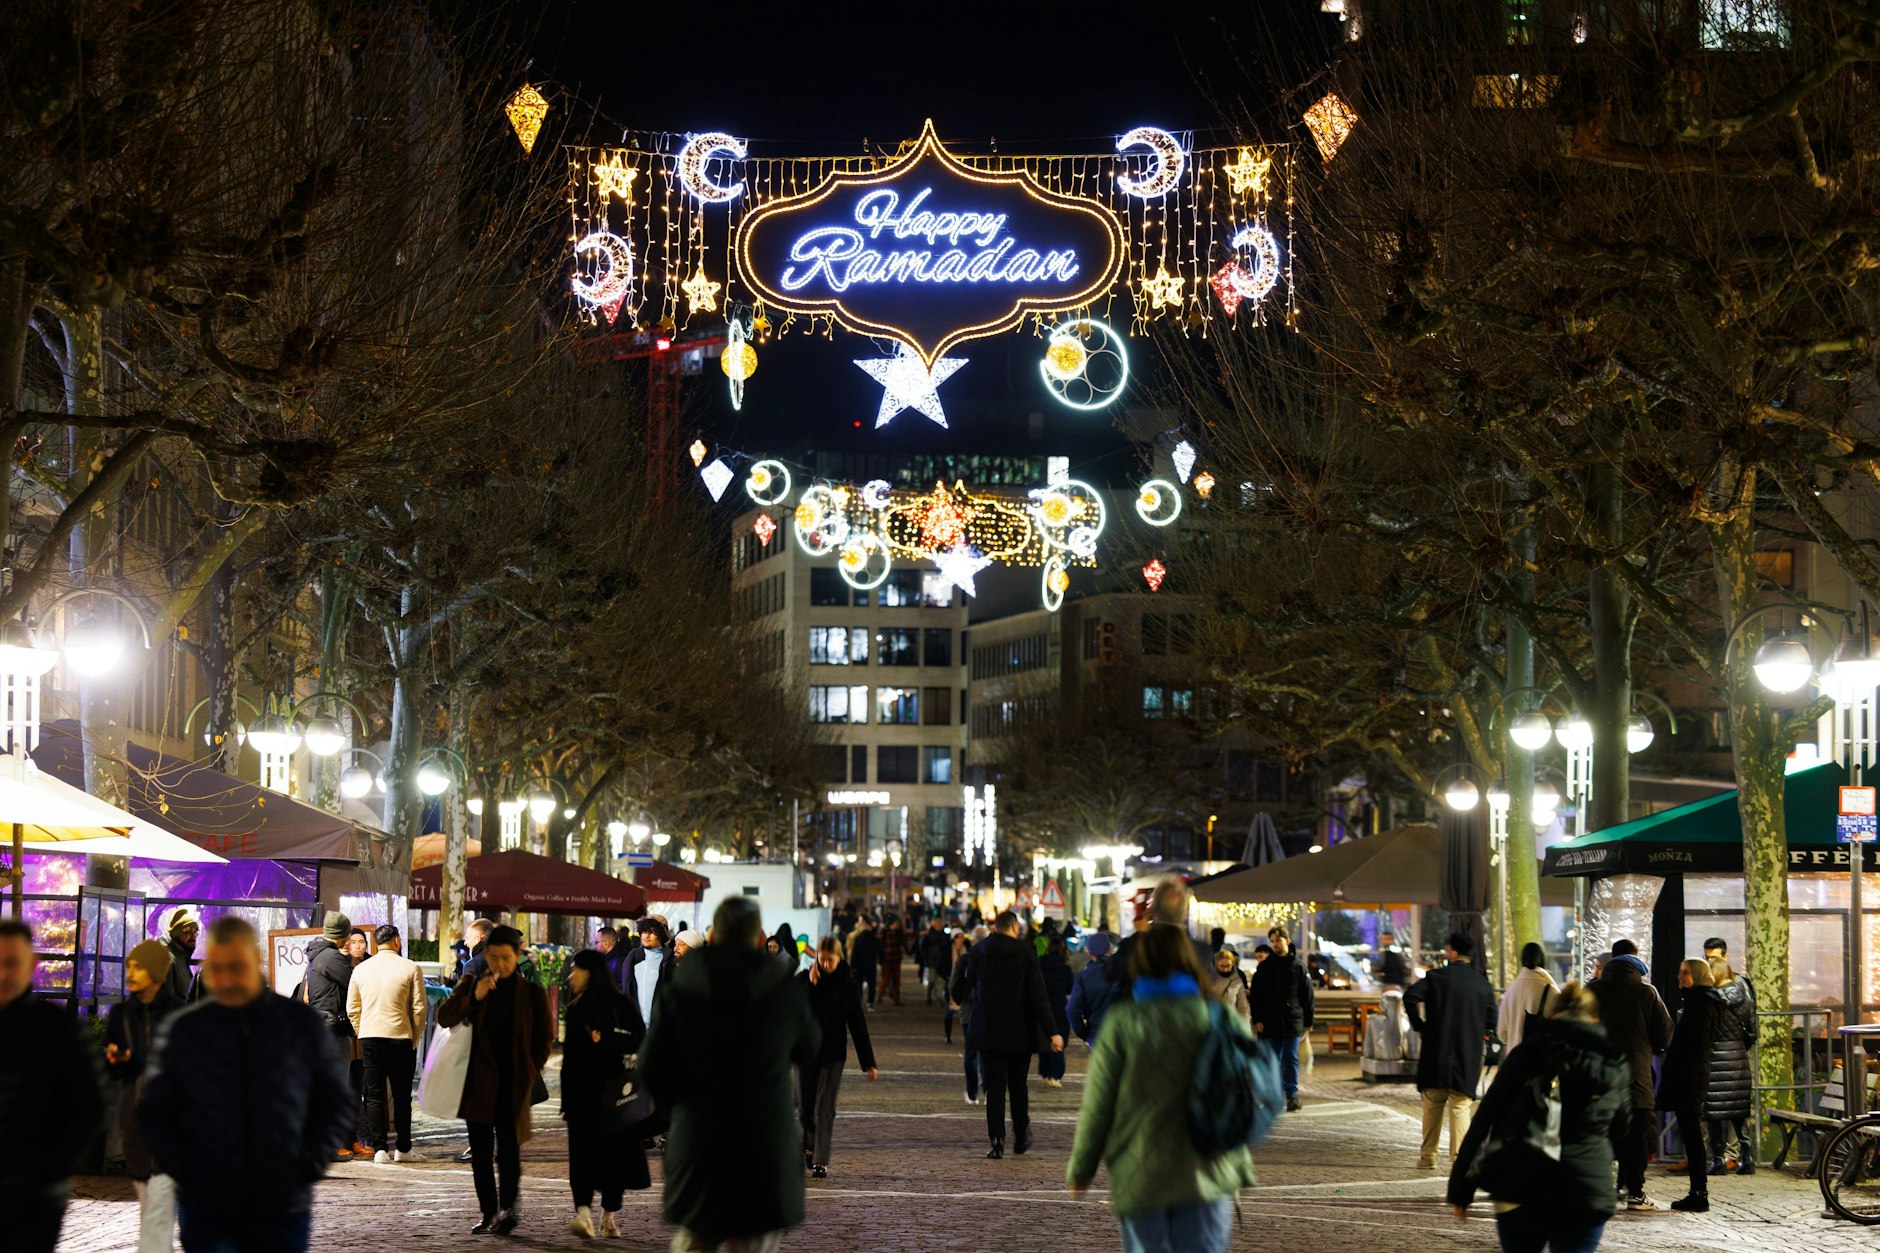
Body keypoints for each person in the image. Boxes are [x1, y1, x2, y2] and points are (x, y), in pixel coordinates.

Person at [139, 916, 352, 1252]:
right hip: (206, 1201)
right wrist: (184, 1168)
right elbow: (155, 1108)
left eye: (236, 967)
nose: (227, 979)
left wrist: (307, 1163)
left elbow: (335, 1099)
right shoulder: (185, 1030)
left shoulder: (298, 1025)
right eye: (217, 969)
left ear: (255, 961)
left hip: (280, 1200)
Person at [640, 895, 820, 1253]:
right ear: (756, 936)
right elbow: (810, 1047)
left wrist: (676, 1104)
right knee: (752, 1239)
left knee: (697, 1234)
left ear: (716, 934)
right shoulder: (780, 985)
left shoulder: (682, 986)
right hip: (764, 1137)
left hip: (699, 1135)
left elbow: (652, 1065)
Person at [1067, 923, 1255, 1253]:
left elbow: (1100, 1105)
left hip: (1142, 1172)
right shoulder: (1217, 1018)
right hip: (1208, 1172)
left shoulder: (1122, 1023)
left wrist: (1082, 1169)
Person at [1446, 982, 1630, 1252]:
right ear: (1594, 1019)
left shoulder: (1526, 1055)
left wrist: (1461, 1188)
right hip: (1585, 1191)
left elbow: (1485, 1119)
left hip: (1521, 1185)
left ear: (1550, 1015)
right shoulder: (1614, 1062)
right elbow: (1622, 1126)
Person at [436, 924, 553, 1236]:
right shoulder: (472, 981)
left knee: (509, 1152)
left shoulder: (532, 993)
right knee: (481, 1153)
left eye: (507, 957)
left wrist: (529, 1070)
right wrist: (473, 997)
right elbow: (444, 1016)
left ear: (517, 956)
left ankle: (508, 1207)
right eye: (494, 957)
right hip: (478, 1085)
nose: (500, 963)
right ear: (485, 955)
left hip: (513, 1085)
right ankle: (489, 1211)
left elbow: (544, 1040)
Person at [0, 919, 105, 1253]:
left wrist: (51, 1172)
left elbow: (89, 1106)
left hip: (34, 1197)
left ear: (31, 966)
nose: (2, 974)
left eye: (11, 964)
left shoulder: (57, 1029)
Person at [959, 910, 1063, 1158]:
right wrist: (1053, 1031)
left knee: (994, 1088)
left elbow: (969, 984)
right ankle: (1020, 1135)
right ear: (1015, 927)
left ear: (996, 927)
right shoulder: (1025, 953)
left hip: (988, 1029)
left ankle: (996, 1141)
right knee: (1018, 1086)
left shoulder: (979, 951)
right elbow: (1039, 995)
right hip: (1020, 1030)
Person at [560, 948, 648, 1240]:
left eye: (576, 969)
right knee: (581, 1155)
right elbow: (569, 1059)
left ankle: (608, 1216)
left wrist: (607, 1039)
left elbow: (640, 1039)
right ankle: (583, 1213)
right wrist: (567, 1101)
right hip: (583, 1094)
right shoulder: (575, 1008)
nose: (571, 976)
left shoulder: (619, 1003)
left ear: (591, 972)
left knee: (615, 1156)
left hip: (616, 1092)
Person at [104, 939, 183, 1252]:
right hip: (134, 1118)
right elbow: (115, 1071)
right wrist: (117, 1060)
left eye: (138, 967)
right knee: (150, 1201)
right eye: (130, 967)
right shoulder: (120, 1014)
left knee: (159, 1204)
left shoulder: (178, 1013)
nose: (131, 973)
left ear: (156, 971)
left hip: (169, 1120)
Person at [1591, 938, 1674, 1211]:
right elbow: (1665, 1034)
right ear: (1636, 960)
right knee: (1636, 1135)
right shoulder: (1647, 993)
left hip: (1600, 1078)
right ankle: (1635, 1192)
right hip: (1636, 1076)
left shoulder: (1592, 991)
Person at [1404, 931, 1497, 1170]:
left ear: (1453, 952)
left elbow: (1410, 996)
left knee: (1433, 1103)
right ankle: (1459, 1160)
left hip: (1436, 1050)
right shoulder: (1482, 984)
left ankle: (1428, 1156)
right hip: (1467, 1053)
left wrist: (1420, 1026)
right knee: (1460, 1105)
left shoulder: (1436, 977)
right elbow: (1492, 1019)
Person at [798, 935, 878, 1178]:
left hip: (833, 1053)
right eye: (821, 960)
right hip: (806, 1051)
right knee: (805, 1106)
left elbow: (857, 1023)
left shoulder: (847, 983)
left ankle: (821, 1159)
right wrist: (809, 986)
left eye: (830, 960)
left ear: (839, 957)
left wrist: (868, 1062)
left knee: (826, 1107)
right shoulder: (805, 979)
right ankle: (809, 1146)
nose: (826, 965)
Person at [348, 923, 428, 1164]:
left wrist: (362, 1030)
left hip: (370, 1038)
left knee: (373, 1095)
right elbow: (419, 1008)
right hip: (400, 1038)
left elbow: (353, 1007)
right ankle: (403, 1148)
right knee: (402, 1096)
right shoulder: (411, 967)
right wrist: (414, 1036)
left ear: (375, 943)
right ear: (397, 941)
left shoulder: (361, 969)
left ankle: (379, 1148)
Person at [304, 910, 373, 1161]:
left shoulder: (320, 954)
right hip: (331, 1028)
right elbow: (357, 982)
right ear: (343, 936)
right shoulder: (331, 957)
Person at [1659, 958, 1722, 1212]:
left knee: (1692, 1135)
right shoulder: (1700, 1001)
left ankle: (1699, 1193)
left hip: (1690, 1077)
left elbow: (1696, 1043)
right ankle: (1697, 1191)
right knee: (1691, 1134)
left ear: (1697, 975)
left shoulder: (1703, 1004)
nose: (1680, 976)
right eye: (1680, 971)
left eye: (1685, 973)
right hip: (1689, 1075)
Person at [1111, 875, 1214, 997]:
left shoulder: (1132, 947)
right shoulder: (1202, 952)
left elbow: (1110, 975)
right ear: (1185, 911)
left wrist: (1139, 935)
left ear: (1152, 909)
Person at [1248, 925, 1314, 1112]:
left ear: (1288, 941)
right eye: (1272, 941)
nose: (1275, 944)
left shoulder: (1298, 966)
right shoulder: (1265, 968)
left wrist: (1309, 1021)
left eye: (1278, 940)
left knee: (1290, 1058)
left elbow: (1307, 995)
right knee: (1274, 1059)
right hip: (1270, 1020)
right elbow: (1257, 995)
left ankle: (1292, 1095)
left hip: (1292, 1019)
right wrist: (1257, 1018)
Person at [1705, 953, 1757, 1176]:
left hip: (1715, 1058)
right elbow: (1752, 1032)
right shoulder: (1745, 999)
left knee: (1713, 1113)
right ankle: (1747, 1158)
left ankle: (1717, 1160)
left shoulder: (1711, 999)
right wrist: (1738, 1048)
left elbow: (1705, 1031)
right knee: (1738, 1112)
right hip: (1738, 1060)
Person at [1497, 942, 1560, 1059]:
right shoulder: (1551, 991)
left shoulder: (1509, 992)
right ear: (1542, 959)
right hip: (1541, 1060)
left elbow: (1502, 1034)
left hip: (1514, 1061)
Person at [948, 925, 988, 1101]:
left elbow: (953, 984)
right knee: (987, 1052)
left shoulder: (965, 959)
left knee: (971, 1052)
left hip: (968, 1010)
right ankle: (988, 1092)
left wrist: (958, 999)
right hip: (988, 1010)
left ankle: (972, 1094)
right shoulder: (992, 960)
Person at [1069, 932, 1121, 1047]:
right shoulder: (1123, 971)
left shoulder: (1083, 977)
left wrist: (1085, 1034)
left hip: (1097, 1036)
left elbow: (1072, 1011)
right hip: (1123, 1033)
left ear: (1090, 952)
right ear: (1109, 949)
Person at [1039, 931, 1075, 1089]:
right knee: (1060, 1042)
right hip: (1060, 1008)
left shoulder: (1040, 963)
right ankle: (1055, 1075)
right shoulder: (1065, 969)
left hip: (1043, 1007)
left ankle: (1045, 1072)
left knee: (1044, 1040)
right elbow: (1069, 989)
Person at [625, 916, 672, 1034]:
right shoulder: (633, 957)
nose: (647, 936)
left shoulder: (669, 960)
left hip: (661, 1030)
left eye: (652, 932)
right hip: (635, 1029)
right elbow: (626, 989)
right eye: (644, 931)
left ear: (662, 935)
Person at [160, 906, 199, 1003]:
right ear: (176, 935)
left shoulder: (181, 954)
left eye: (195, 932)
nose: (193, 937)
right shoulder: (166, 959)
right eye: (187, 933)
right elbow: (166, 1001)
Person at [1210, 947, 1252, 1026]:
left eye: (1228, 966)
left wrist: (1245, 1026)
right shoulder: (1208, 979)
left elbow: (1243, 1007)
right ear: (1216, 964)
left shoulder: (1237, 980)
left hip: (1231, 1023)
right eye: (1222, 966)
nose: (1225, 969)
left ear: (1233, 963)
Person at [847, 914, 880, 1008]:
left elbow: (854, 953)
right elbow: (879, 949)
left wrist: (852, 965)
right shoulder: (872, 937)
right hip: (870, 963)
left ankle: (859, 999)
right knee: (871, 983)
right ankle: (870, 1002)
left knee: (859, 983)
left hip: (859, 965)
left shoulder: (857, 938)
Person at [919, 918, 953, 1007]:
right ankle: (929, 995)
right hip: (932, 961)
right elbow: (923, 948)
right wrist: (926, 959)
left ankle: (939, 997)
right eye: (938, 924)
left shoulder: (944, 935)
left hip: (942, 962)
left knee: (941, 980)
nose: (939, 926)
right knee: (932, 980)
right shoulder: (929, 935)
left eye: (940, 924)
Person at [878, 913, 906, 1006]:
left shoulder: (898, 932)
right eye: (895, 922)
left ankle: (896, 999)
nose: (896, 924)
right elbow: (880, 946)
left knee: (896, 980)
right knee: (886, 979)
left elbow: (904, 940)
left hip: (896, 959)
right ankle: (879, 996)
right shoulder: (884, 932)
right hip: (887, 959)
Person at [596, 926, 632, 993]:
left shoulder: (620, 962)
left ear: (606, 944)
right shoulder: (605, 959)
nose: (596, 946)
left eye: (597, 942)